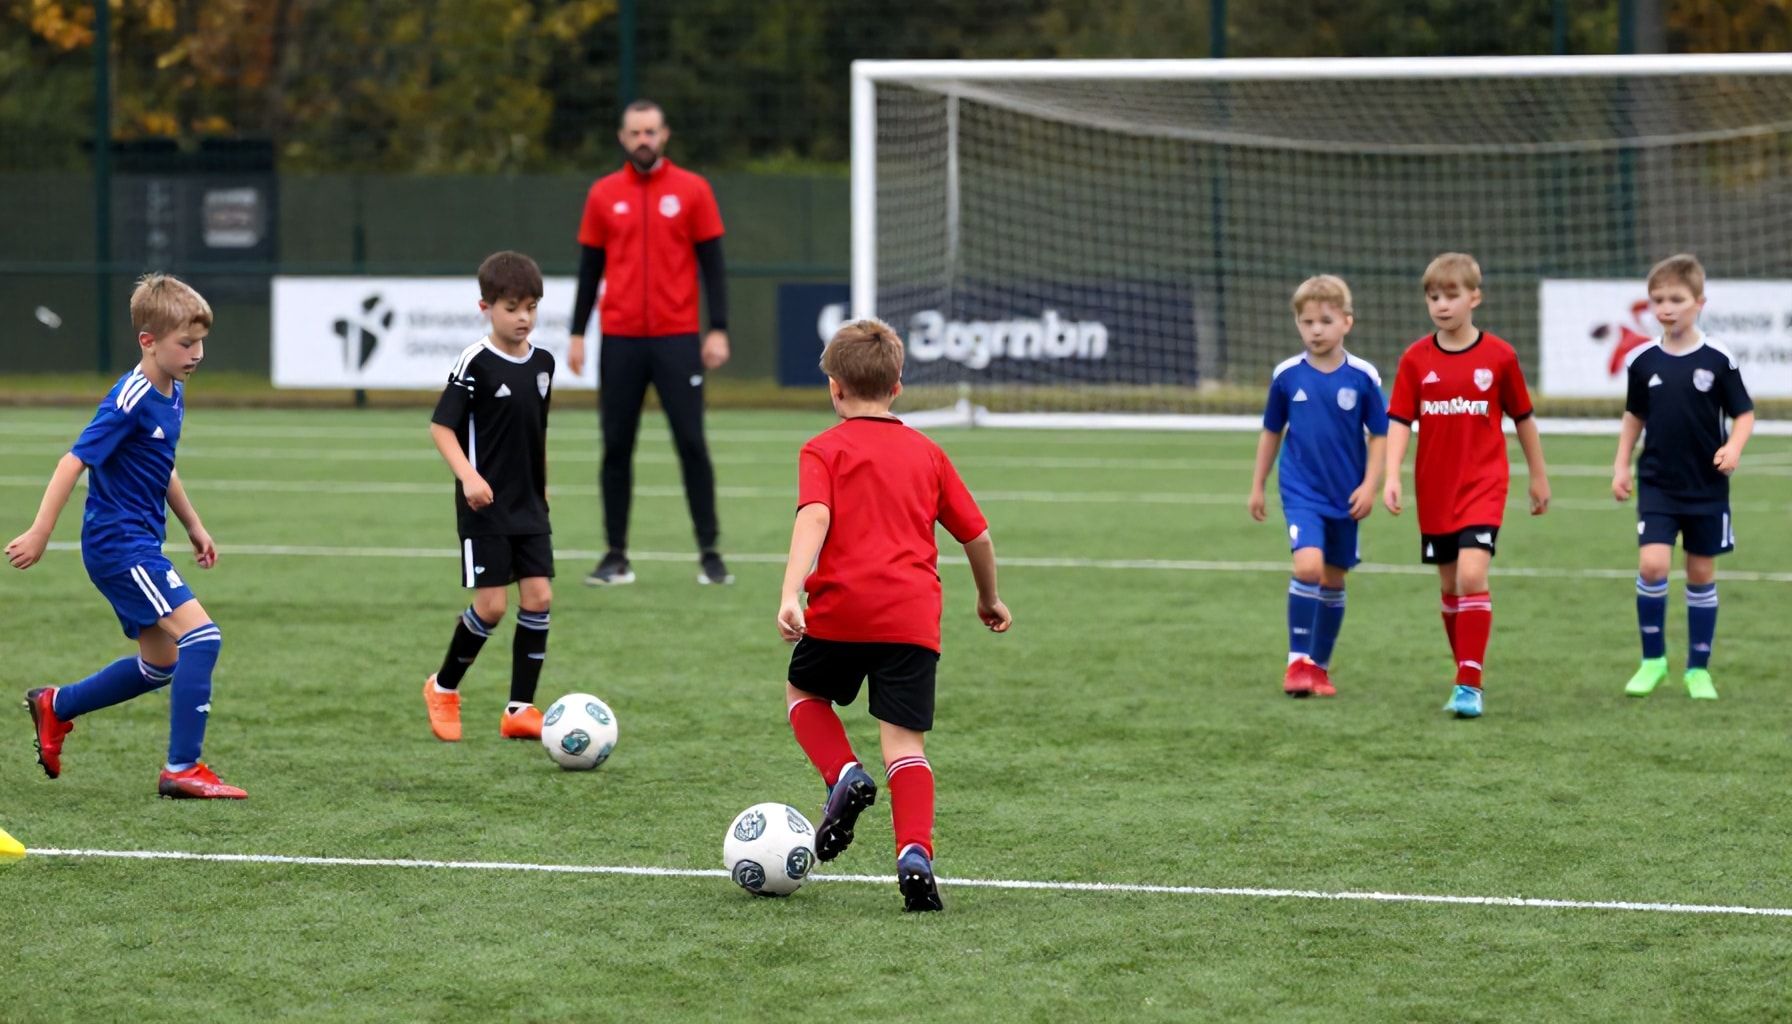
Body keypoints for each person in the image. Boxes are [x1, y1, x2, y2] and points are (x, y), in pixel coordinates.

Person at [775, 318, 1012, 912]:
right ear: (898, 385)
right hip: (911, 618)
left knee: (803, 692)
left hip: (842, 611)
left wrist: (790, 593)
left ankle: (843, 774)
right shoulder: (928, 452)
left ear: (834, 388)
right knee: (906, 746)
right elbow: (977, 536)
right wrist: (988, 598)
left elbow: (814, 517)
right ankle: (914, 853)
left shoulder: (822, 449)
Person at [7, 273, 244, 798]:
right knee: (203, 638)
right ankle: (182, 769)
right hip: (120, 545)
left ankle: (55, 705)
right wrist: (41, 532)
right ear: (148, 341)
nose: (197, 353)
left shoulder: (173, 390)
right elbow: (73, 462)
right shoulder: (130, 397)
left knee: (160, 665)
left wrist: (193, 524)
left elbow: (162, 464)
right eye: (186, 343)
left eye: (201, 341)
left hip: (139, 542)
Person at [568, 98, 732, 587]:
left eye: (651, 131)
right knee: (616, 446)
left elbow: (714, 265)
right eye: (635, 132)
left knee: (691, 443)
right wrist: (577, 333)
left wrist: (718, 327)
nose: (644, 139)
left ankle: (710, 553)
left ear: (665, 136)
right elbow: (589, 269)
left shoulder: (693, 190)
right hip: (618, 339)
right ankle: (615, 555)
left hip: (677, 338)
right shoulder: (603, 194)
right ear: (623, 138)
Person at [1383, 252, 1550, 719]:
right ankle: (1466, 669)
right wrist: (1391, 474)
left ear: (1475, 297)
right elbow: (1399, 419)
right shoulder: (1416, 359)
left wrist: (1538, 475)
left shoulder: (1499, 357)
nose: (1441, 304)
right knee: (1450, 586)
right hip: (1435, 490)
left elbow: (1523, 418)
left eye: (1451, 295)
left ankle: (1468, 683)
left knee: (1472, 576)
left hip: (1483, 485)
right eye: (1433, 296)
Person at [422, 251, 558, 742]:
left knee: (539, 597)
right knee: (493, 607)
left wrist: (542, 484)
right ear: (486, 307)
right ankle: (443, 687)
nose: (523, 318)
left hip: (529, 504)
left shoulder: (544, 363)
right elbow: (442, 428)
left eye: (531, 308)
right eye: (512, 308)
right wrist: (469, 478)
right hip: (486, 506)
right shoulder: (475, 362)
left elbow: (536, 430)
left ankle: (520, 707)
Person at [1613, 253, 1754, 700]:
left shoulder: (1717, 358)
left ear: (1699, 302)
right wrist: (1620, 464)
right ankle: (1652, 661)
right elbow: (1634, 415)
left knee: (1699, 574)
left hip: (1706, 487)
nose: (1666, 308)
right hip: (1657, 481)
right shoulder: (1642, 360)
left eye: (1676, 298)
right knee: (1653, 565)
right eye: (1658, 299)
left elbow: (1744, 413)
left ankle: (1698, 669)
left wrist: (1733, 446)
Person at [1249, 275, 1387, 699]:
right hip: (1301, 490)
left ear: (1347, 322)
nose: (1316, 330)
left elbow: (1380, 434)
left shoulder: (1363, 377)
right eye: (1307, 322)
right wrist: (1258, 485)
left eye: (1325, 321)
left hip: (1345, 494)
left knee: (1333, 580)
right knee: (1307, 568)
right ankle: (1297, 664)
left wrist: (1370, 485)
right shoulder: (1287, 376)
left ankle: (1320, 669)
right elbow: (1272, 431)